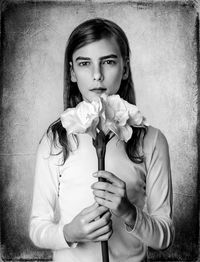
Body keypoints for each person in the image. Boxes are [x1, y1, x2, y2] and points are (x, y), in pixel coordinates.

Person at [29, 18, 174, 262]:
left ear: (125, 68)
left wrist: (129, 213)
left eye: (108, 61)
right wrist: (69, 232)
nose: (97, 75)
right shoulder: (56, 139)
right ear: (72, 72)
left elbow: (165, 236)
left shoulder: (152, 140)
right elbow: (37, 228)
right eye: (84, 63)